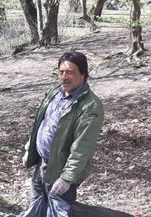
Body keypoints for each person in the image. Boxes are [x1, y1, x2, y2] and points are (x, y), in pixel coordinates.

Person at [22, 51, 104, 204]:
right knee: (35, 208)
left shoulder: (90, 106)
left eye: (70, 72)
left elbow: (83, 147)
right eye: (61, 72)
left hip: (60, 170)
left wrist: (66, 179)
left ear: (83, 75)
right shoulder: (55, 92)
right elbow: (42, 121)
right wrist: (30, 147)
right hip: (42, 163)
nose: (64, 77)